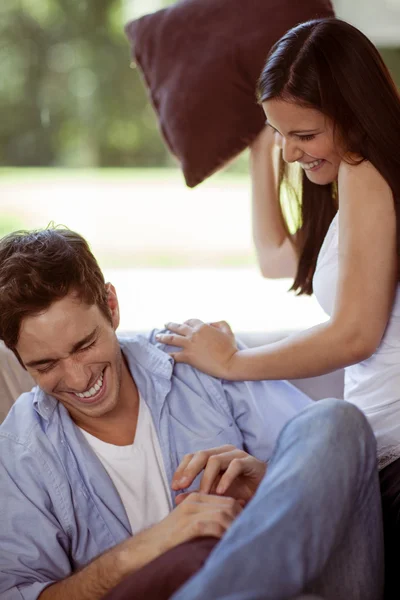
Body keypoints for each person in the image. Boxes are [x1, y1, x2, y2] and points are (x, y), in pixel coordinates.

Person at [154, 16, 400, 600]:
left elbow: (356, 335)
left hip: (390, 471)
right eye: (280, 133)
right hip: (375, 471)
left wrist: (233, 360)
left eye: (305, 134)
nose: (292, 154)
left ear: (354, 113)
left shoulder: (368, 170)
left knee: (324, 426)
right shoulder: (351, 180)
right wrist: (266, 145)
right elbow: (276, 258)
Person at [0, 227, 383, 600]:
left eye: (85, 345)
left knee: (336, 421)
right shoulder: (20, 450)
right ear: (20, 360)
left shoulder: (198, 360)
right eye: (46, 365)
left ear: (111, 306)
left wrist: (270, 487)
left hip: (303, 582)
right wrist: (145, 547)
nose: (78, 377)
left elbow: (340, 478)